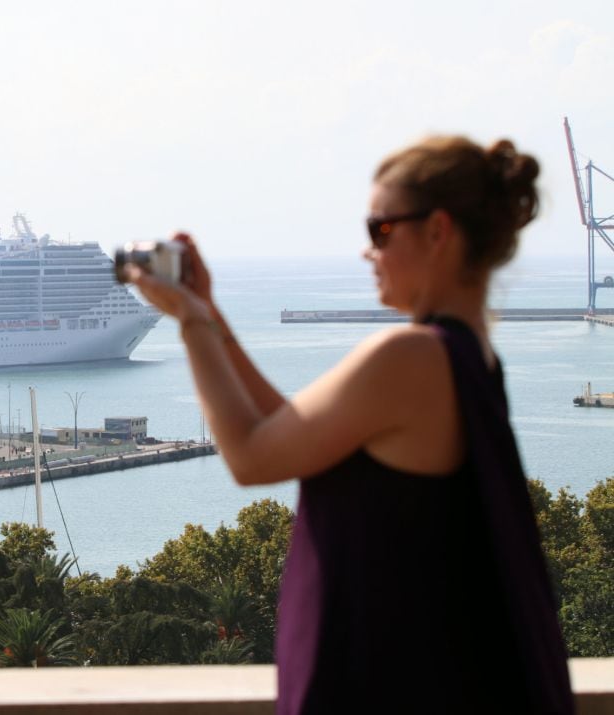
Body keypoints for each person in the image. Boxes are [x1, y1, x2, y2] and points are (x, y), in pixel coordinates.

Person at [127, 136, 573, 714]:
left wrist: (189, 321)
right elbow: (288, 429)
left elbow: (250, 457)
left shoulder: (408, 357)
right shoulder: (468, 359)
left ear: (438, 231)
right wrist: (210, 314)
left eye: (380, 230)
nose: (368, 252)